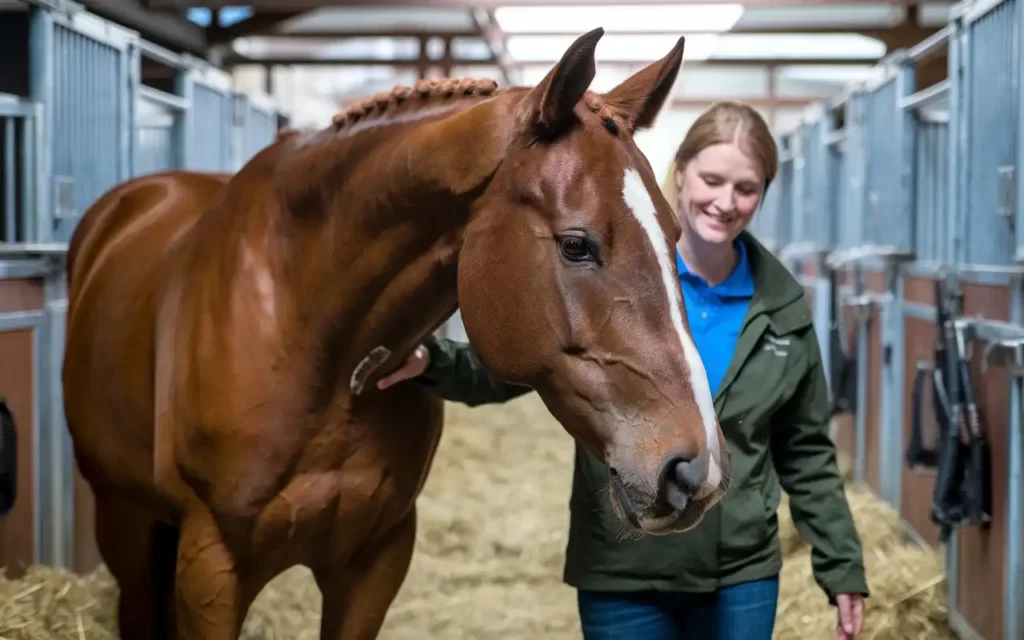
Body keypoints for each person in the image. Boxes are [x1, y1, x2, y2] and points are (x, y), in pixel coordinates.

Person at [377, 101, 868, 640]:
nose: (725, 203)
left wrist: (841, 565)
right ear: (680, 172)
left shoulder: (780, 308)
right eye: (711, 179)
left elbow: (806, 451)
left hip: (737, 573)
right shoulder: (617, 277)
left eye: (746, 189)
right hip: (623, 565)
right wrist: (431, 361)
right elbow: (532, 362)